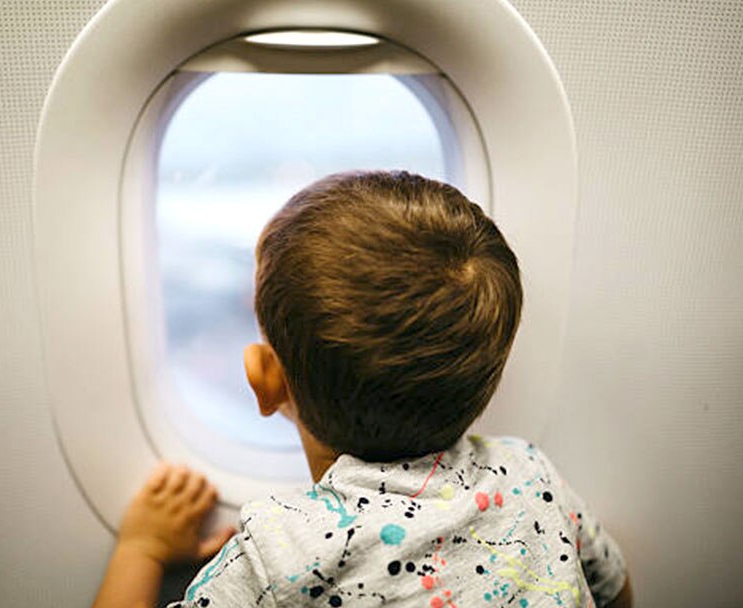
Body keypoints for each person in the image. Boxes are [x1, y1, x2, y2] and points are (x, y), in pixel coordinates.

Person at [92, 171, 632, 608]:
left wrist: (141, 549)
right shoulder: (530, 476)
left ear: (264, 380)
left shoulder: (275, 557)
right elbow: (615, 592)